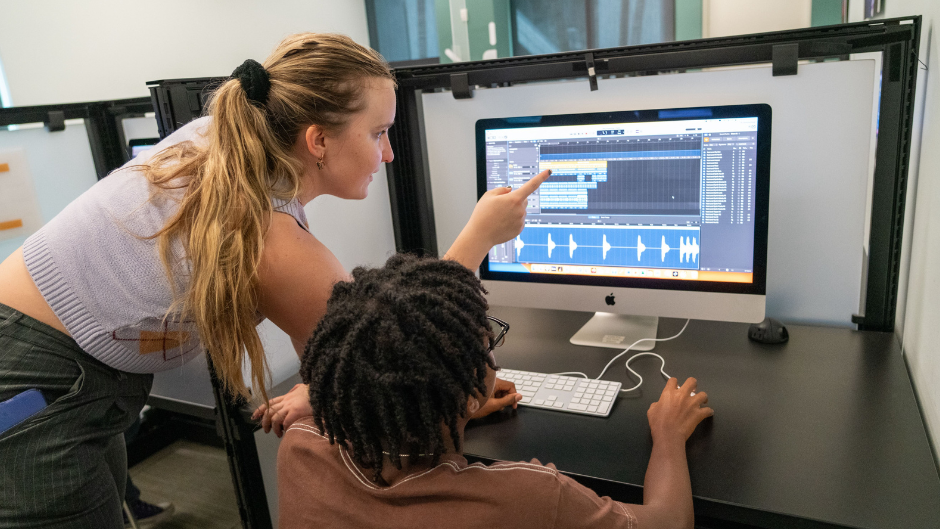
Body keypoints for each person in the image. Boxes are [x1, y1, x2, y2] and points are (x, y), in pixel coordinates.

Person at [0, 33, 546, 528]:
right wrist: (478, 242)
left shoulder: (225, 141)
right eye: (378, 132)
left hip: (47, 359)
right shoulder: (274, 240)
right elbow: (402, 368)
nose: (390, 153)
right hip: (38, 381)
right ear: (317, 141)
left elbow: (362, 350)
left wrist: (315, 388)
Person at [279, 253, 714, 529]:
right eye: (489, 342)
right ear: (469, 389)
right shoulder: (530, 497)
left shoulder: (299, 447)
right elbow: (670, 522)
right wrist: (670, 436)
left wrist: (449, 410)